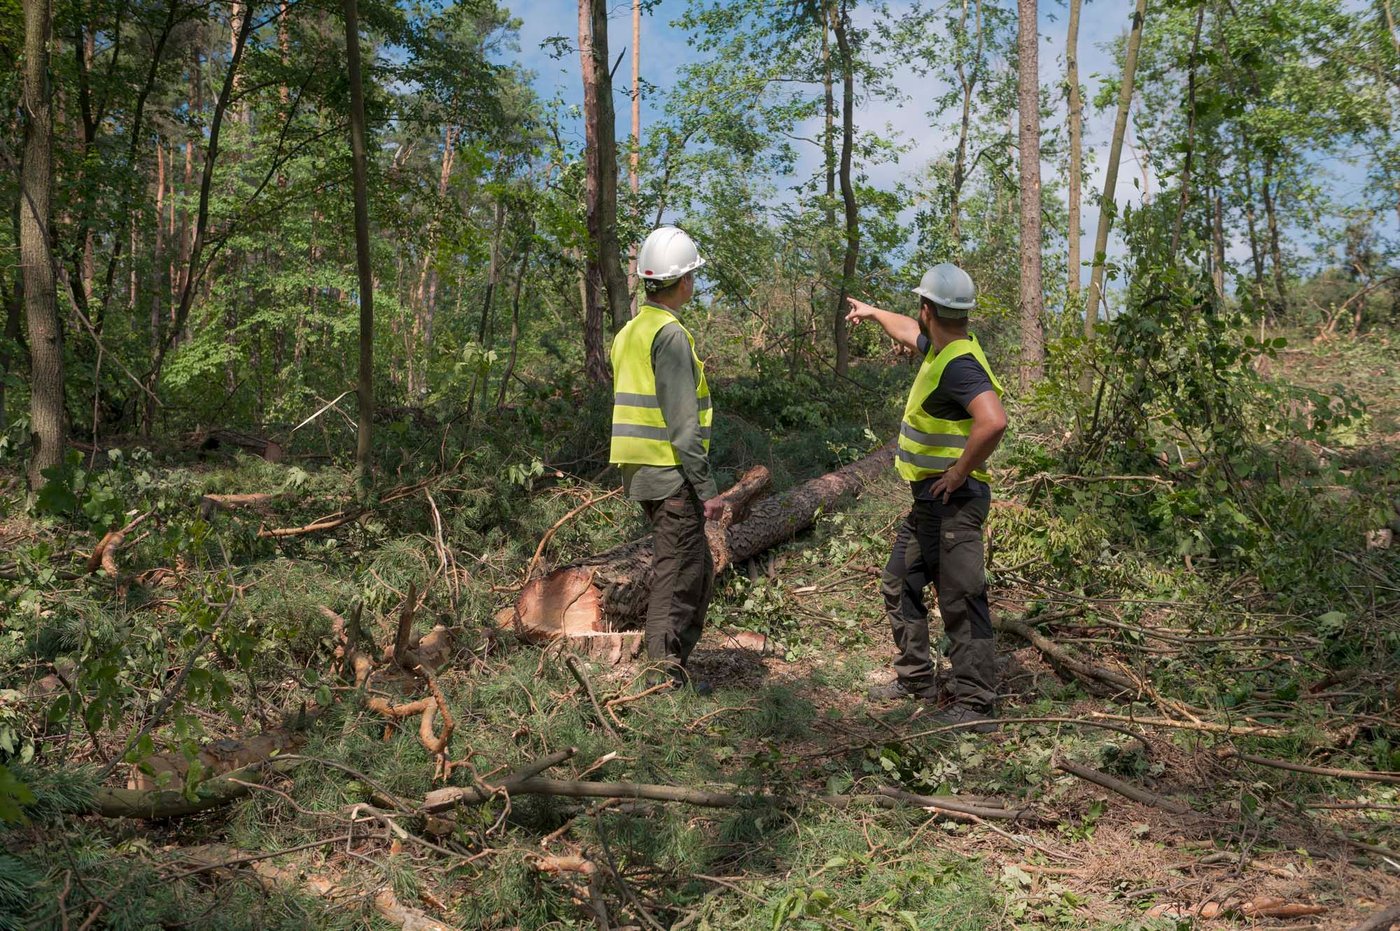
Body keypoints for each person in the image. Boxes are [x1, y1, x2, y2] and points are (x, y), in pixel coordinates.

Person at [845, 263, 1008, 731]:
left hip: (954, 500)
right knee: (899, 581)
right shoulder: (944, 348)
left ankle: (976, 705)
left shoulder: (959, 365)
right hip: (929, 504)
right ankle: (916, 677)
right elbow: (908, 334)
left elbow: (993, 421)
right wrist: (875, 313)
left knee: (961, 597)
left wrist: (959, 472)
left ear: (927, 310)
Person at [610, 226, 724, 692]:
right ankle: (661, 682)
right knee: (677, 578)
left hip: (642, 472)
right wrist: (707, 489)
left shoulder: (631, 331)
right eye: (692, 276)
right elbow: (682, 424)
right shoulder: (670, 334)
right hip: (670, 474)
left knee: (695, 571)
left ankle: (674, 669)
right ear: (684, 282)